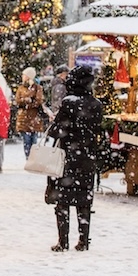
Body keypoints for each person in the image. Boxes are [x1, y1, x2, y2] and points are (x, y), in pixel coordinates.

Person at [46, 66, 104, 252]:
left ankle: (63, 241)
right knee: (84, 199)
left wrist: (57, 124)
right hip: (88, 158)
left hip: (68, 157)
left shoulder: (69, 103)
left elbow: (57, 131)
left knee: (63, 199)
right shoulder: (96, 105)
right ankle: (83, 240)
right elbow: (97, 131)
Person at [14, 67, 45, 159]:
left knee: (33, 140)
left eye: (24, 75)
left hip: (34, 118)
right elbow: (18, 101)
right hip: (23, 118)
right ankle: (28, 157)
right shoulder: (20, 88)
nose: (22, 77)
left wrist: (28, 100)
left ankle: (33, 158)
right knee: (26, 140)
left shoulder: (37, 87)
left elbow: (38, 101)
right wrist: (28, 100)